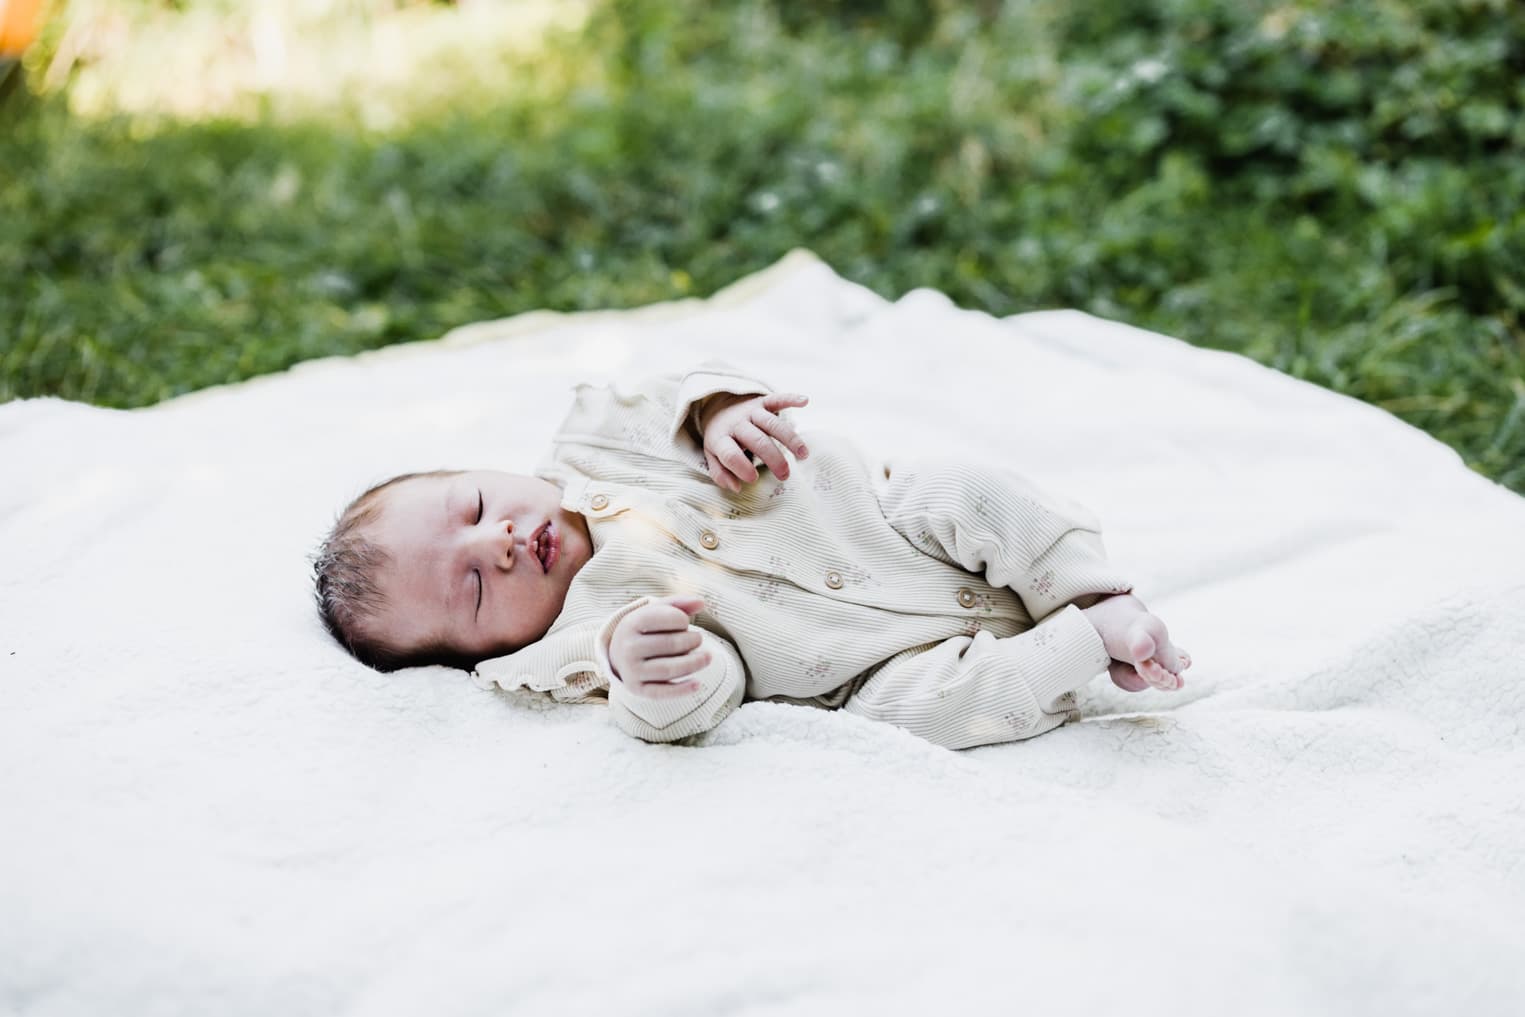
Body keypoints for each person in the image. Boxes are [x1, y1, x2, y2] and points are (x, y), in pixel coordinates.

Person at [313, 363, 1190, 749]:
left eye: (473, 506)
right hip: (874, 667)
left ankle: (1090, 591)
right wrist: (655, 680)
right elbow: (709, 690)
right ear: (486, 653)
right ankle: (1080, 646)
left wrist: (723, 412)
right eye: (472, 587)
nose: (496, 542)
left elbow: (682, 388)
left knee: (957, 485)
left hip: (892, 526)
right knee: (908, 719)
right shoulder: (584, 645)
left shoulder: (597, 443)